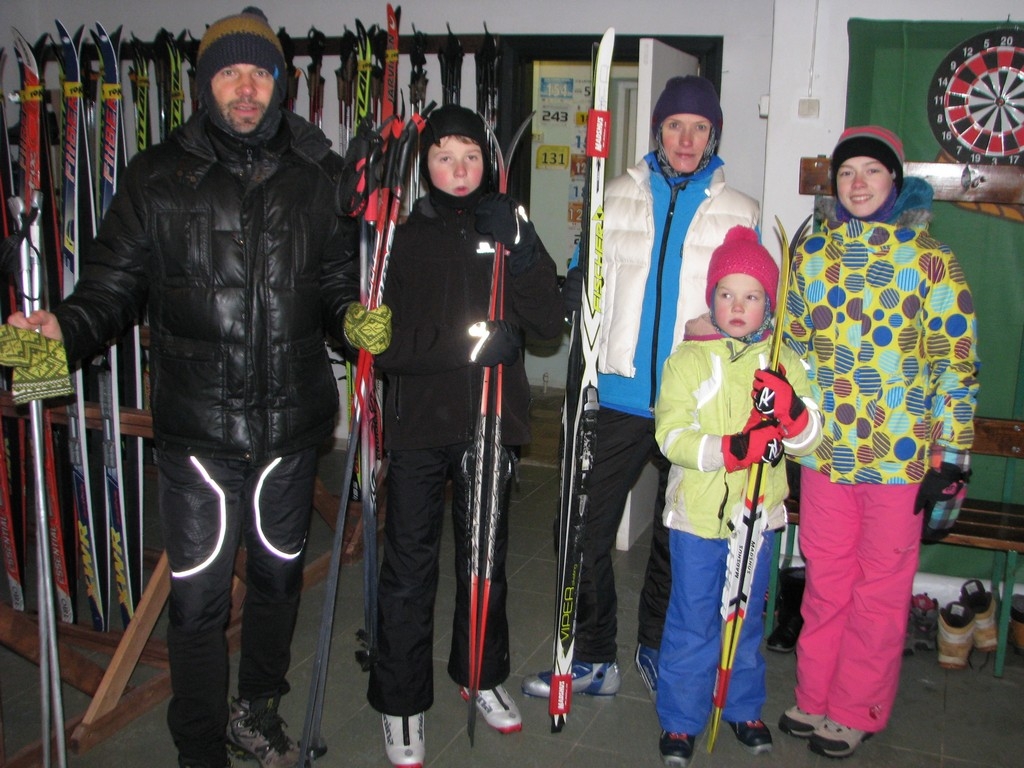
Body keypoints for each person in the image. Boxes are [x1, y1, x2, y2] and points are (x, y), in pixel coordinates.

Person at [6, 8, 362, 768]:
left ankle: (256, 715)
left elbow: (333, 285)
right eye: (229, 73)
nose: (245, 88)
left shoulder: (317, 177)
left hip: (291, 428)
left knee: (276, 586)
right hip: (198, 433)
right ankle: (199, 748)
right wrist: (58, 333)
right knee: (197, 603)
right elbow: (108, 290)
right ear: (205, 86)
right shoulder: (155, 177)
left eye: (258, 73)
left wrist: (352, 318)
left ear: (280, 85)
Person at [522, 75, 761, 703]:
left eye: (700, 128)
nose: (686, 139)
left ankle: (657, 645)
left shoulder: (741, 210)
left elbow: (754, 301)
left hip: (695, 398)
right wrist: (575, 282)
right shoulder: (615, 196)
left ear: (714, 136)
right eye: (675, 125)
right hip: (620, 394)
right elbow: (589, 278)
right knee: (577, 529)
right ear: (658, 130)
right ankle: (596, 656)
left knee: (675, 536)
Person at [366, 105, 565, 768]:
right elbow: (384, 342)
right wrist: (468, 346)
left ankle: (481, 674)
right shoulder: (403, 232)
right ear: (426, 164)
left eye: (471, 156)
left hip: (489, 422)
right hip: (420, 426)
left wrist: (526, 248)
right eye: (445, 156)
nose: (459, 169)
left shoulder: (506, 223)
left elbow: (548, 320)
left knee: (485, 563)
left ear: (488, 162)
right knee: (408, 569)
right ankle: (400, 703)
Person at [778, 126, 978, 758]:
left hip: (901, 461)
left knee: (880, 590)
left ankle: (856, 707)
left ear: (895, 182)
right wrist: (786, 420)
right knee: (827, 581)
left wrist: (952, 453)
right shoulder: (812, 256)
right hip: (828, 456)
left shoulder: (931, 261)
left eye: (871, 171)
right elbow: (795, 353)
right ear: (834, 186)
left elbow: (956, 363)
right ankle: (814, 698)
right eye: (846, 173)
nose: (858, 183)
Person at [652, 225, 822, 766]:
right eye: (726, 294)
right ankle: (681, 719)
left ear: (768, 304)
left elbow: (810, 438)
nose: (737, 305)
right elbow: (670, 435)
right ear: (712, 299)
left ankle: (742, 706)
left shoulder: (785, 364)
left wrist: (791, 410)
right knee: (694, 618)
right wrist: (730, 449)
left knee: (746, 619)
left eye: (751, 296)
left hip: (757, 518)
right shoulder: (688, 360)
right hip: (698, 520)